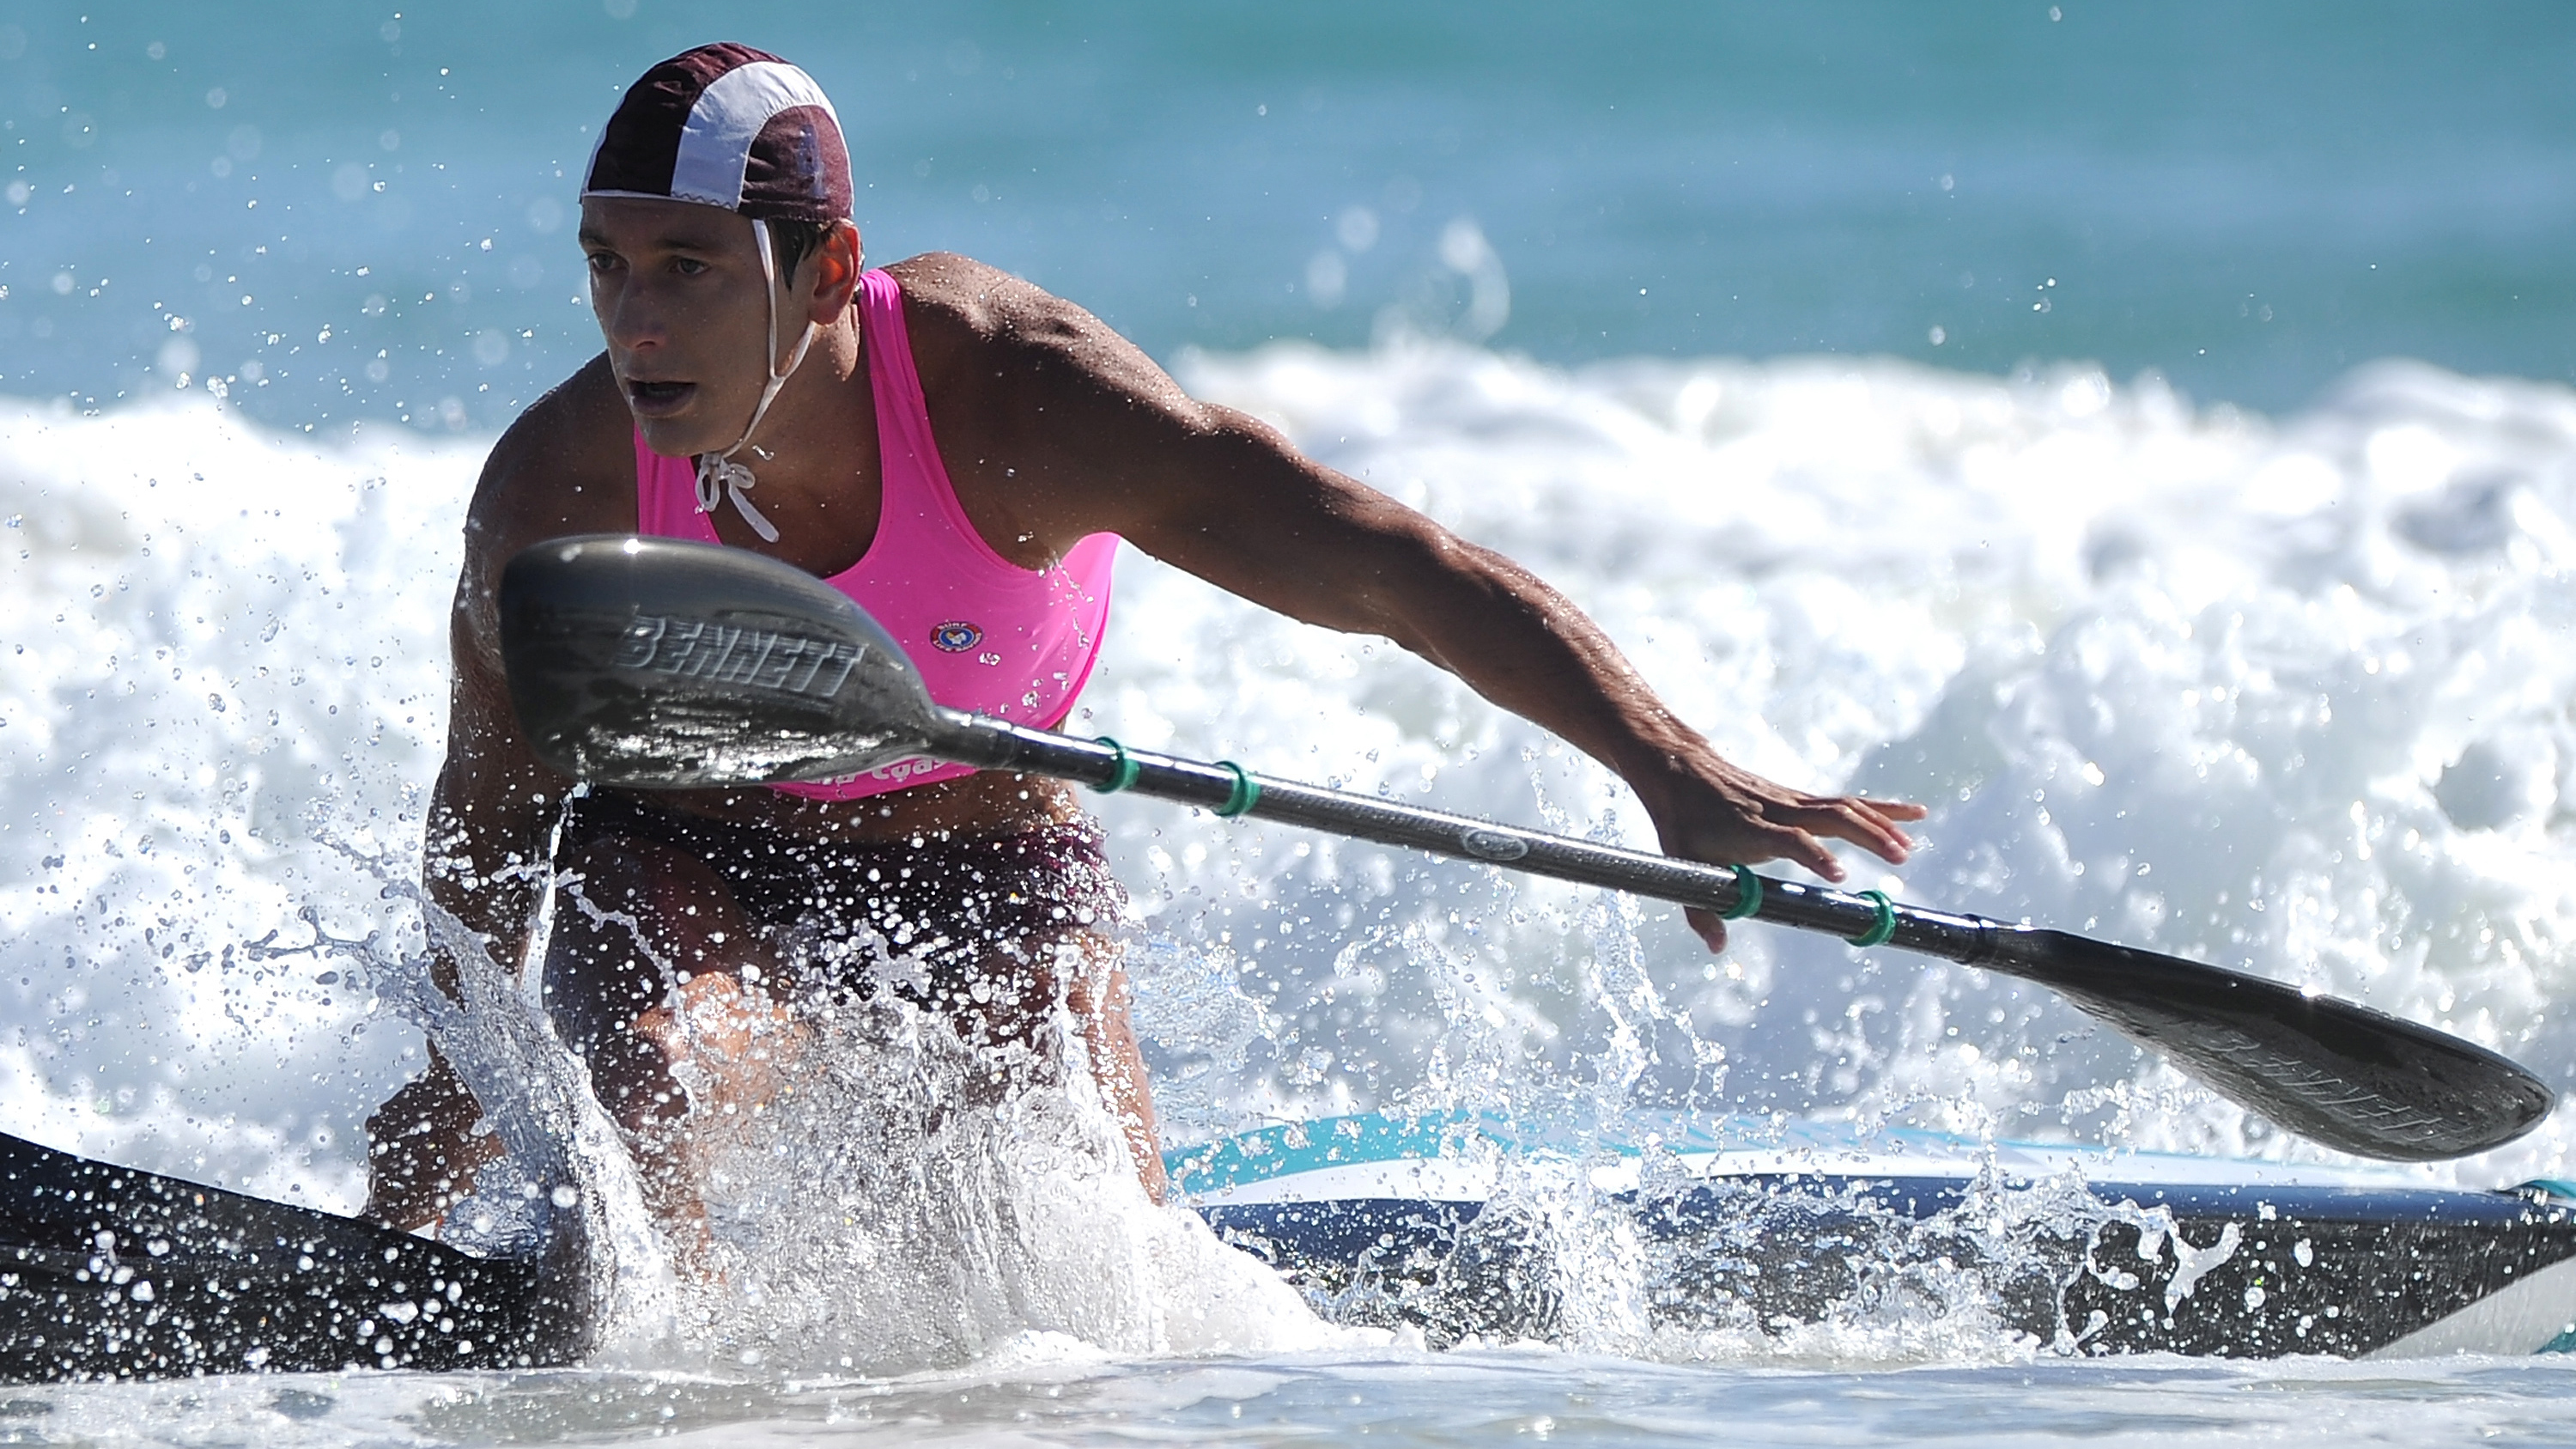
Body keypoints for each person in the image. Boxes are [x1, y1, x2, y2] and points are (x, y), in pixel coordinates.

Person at [361, 43, 1924, 1237]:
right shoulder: (561, 491)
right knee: (657, 1093)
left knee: (1087, 1242)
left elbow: (1394, 571)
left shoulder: (1018, 399)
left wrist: (1670, 767)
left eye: (687, 269)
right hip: (689, 848)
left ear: (828, 270)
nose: (632, 322)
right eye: (608, 264)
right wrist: (456, 1074)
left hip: (980, 854)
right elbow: (492, 796)